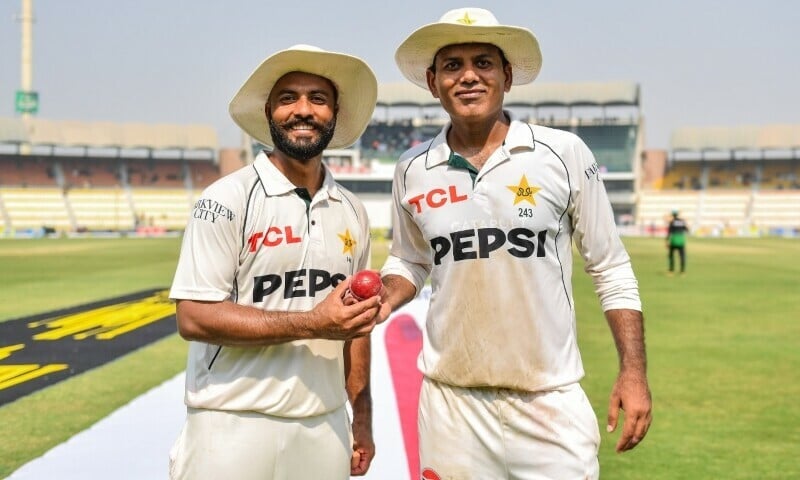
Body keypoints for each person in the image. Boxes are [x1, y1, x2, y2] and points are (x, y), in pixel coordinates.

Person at [377, 8, 653, 479]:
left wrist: (634, 372)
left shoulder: (563, 154)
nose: (468, 76)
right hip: (451, 406)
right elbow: (409, 259)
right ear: (431, 81)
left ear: (507, 76)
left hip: (547, 401)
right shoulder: (411, 166)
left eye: (483, 63)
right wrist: (386, 294)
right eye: (452, 65)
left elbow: (609, 268)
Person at [168, 44, 381, 480]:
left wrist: (361, 413)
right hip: (231, 421)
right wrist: (312, 323)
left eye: (317, 99)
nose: (303, 110)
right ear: (269, 112)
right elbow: (192, 317)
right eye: (288, 99)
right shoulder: (226, 199)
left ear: (334, 113)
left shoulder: (353, 210)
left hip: (323, 425)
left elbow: (355, 326)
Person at [666, 209, 689, 275]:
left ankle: (671, 270)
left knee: (671, 256)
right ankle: (682, 271)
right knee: (682, 256)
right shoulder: (682, 221)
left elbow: (669, 232)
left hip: (674, 240)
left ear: (672, 215)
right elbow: (687, 230)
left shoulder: (672, 222)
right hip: (681, 240)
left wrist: (667, 241)